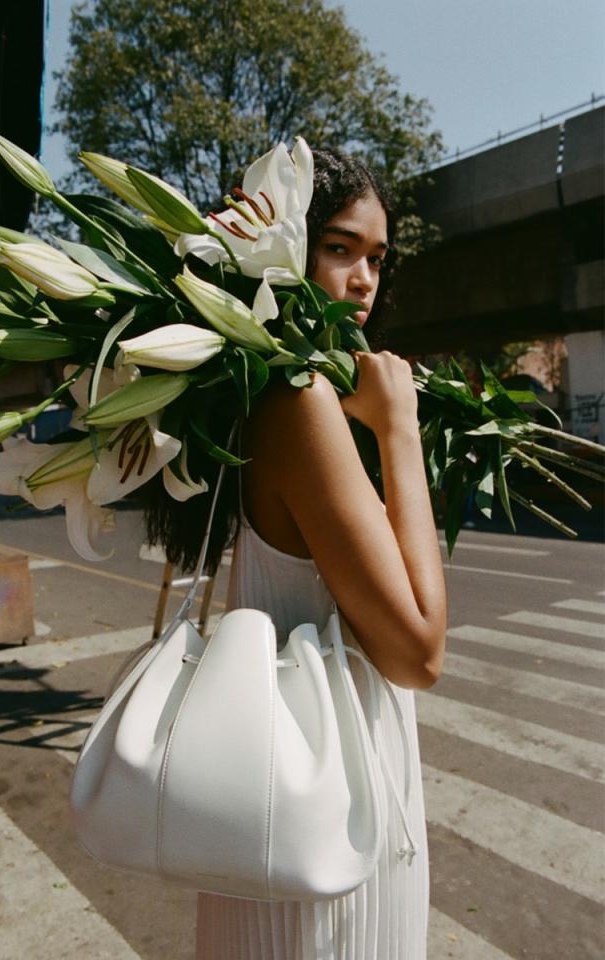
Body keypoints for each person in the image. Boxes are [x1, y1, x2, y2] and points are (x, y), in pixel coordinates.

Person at [146, 149, 447, 959]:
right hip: (324, 798)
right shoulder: (301, 401)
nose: (363, 280)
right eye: (340, 249)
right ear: (286, 246)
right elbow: (417, 651)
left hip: (286, 780)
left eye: (377, 260)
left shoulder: (260, 390)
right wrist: (401, 428)